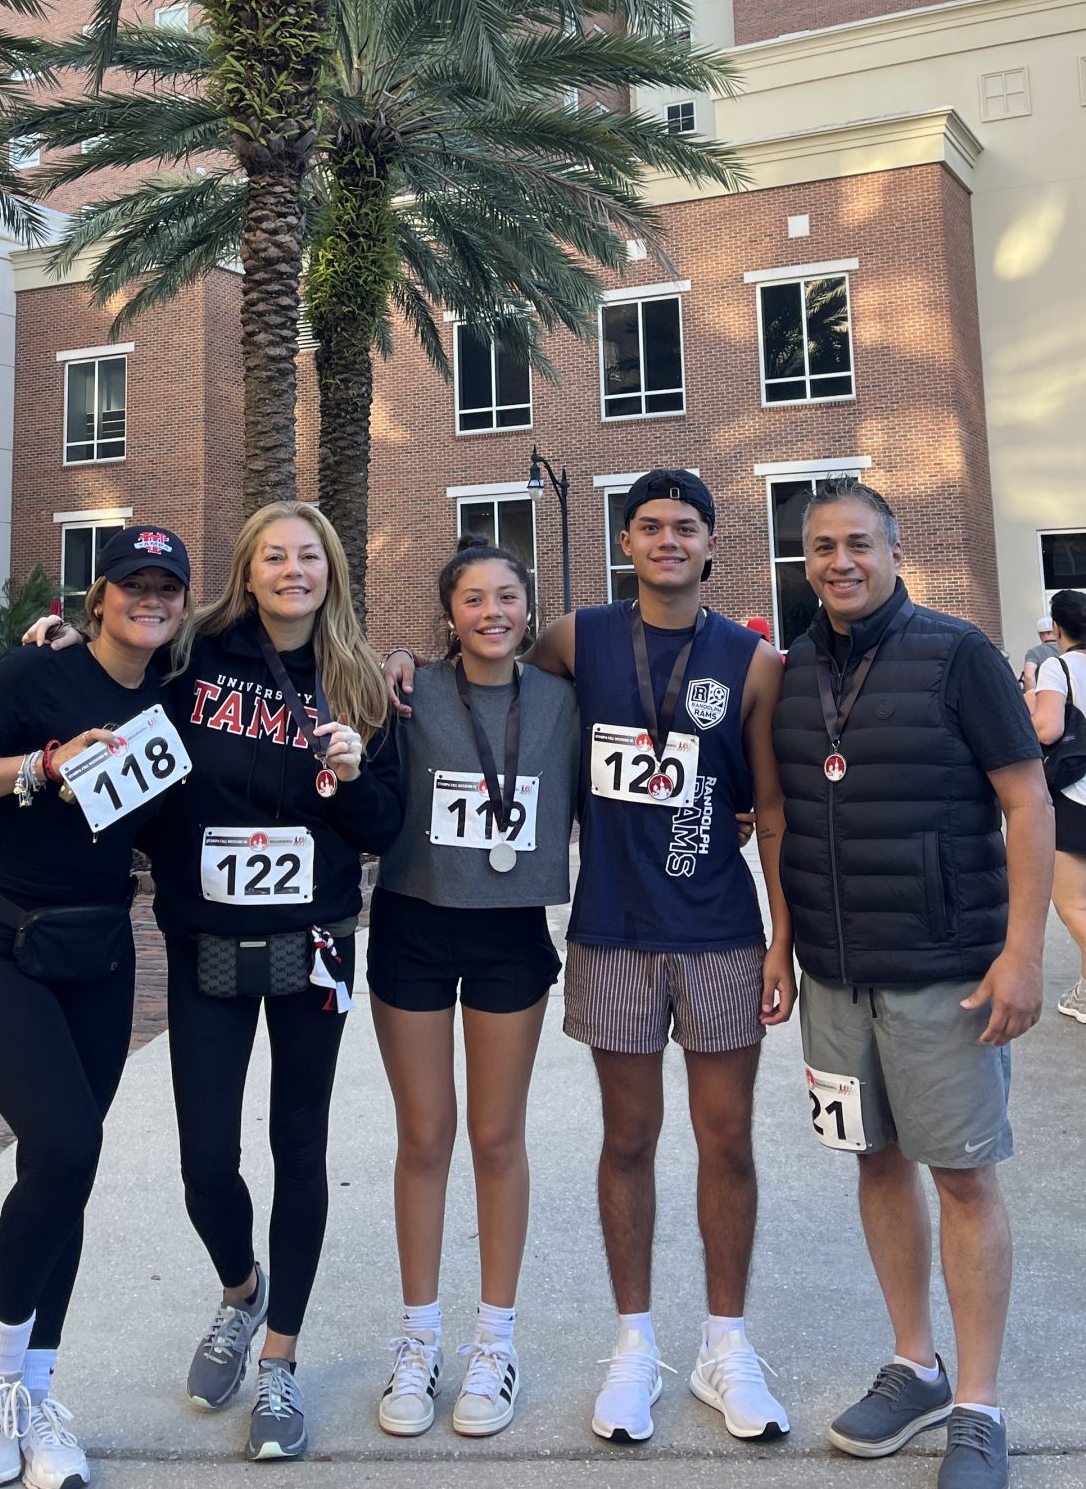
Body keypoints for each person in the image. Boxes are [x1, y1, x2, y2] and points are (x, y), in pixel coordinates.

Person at [386, 467, 796, 1448]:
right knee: (627, 1140)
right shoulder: (576, 639)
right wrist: (403, 659)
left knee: (727, 1139)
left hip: (719, 934)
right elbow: (489, 687)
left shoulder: (753, 661)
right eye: (648, 526)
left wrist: (782, 937)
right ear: (625, 543)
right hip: (609, 930)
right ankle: (632, 1346)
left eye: (684, 528)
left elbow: (771, 811)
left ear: (708, 546)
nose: (665, 541)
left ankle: (725, 1346)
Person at [31, 502, 403, 1462]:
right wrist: (65, 644)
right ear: (247, 568)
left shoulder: (359, 676)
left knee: (300, 1145)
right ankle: (243, 1290)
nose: (291, 570)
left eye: (308, 555)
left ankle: (280, 1362)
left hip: (315, 941)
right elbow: (112, 674)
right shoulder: (192, 655)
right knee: (205, 1159)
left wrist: (356, 775)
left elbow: (383, 827)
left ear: (332, 570)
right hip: (208, 941)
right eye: (273, 555)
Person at [773, 477, 1052, 1489]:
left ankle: (975, 1404)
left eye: (856, 544)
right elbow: (779, 819)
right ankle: (914, 1364)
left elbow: (1026, 805)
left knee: (963, 1179)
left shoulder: (957, 654)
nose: (837, 563)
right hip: (836, 983)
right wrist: (783, 949)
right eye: (818, 548)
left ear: (894, 554)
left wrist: (1020, 953)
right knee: (872, 1163)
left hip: (947, 974)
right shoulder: (793, 668)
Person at [0, 526, 193, 1489]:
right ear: (97, 597)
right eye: (132, 584)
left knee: (62, 1167)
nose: (148, 599)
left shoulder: (176, 695)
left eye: (166, 586)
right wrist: (42, 765)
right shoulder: (36, 678)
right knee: (67, 1144)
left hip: (97, 953)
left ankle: (30, 1388)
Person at [369, 538, 577, 1440]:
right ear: (447, 614)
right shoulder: (408, 697)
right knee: (424, 1136)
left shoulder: (566, 701)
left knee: (497, 1135)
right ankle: (419, 1339)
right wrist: (389, 667)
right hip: (413, 924)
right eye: (473, 600)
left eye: (508, 597)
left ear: (528, 610)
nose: (493, 613)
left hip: (510, 933)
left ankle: (495, 1339)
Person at [1028, 588, 1086, 1024]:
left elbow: (1047, 729)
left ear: (1058, 629)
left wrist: (1027, 707)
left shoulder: (1058, 665)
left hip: (1075, 797)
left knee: (1074, 905)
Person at [1020, 615, 1058, 694]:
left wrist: (1032, 698)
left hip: (1045, 699)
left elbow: (1028, 676)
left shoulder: (1034, 652)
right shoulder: (1068, 649)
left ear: (1040, 634)